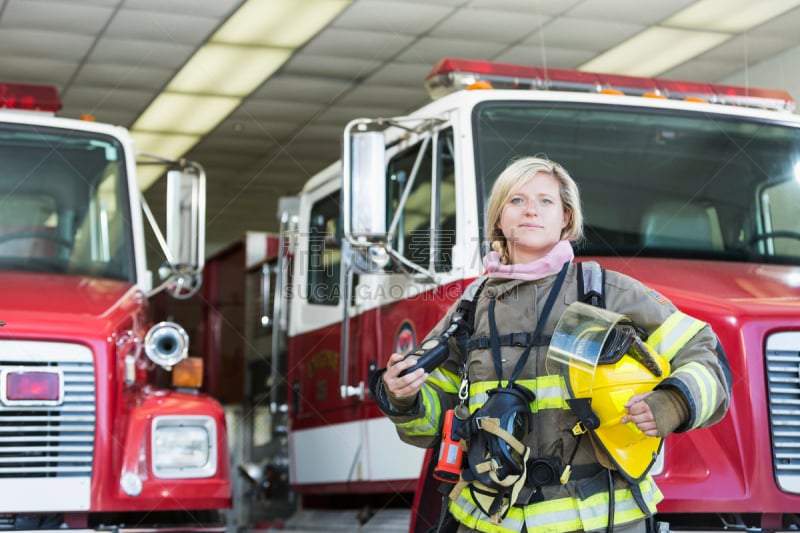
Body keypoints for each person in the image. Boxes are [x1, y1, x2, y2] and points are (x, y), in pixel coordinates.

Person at [371, 156, 731, 533]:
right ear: (499, 219)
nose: (531, 211)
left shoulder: (606, 292)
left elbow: (708, 356)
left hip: (601, 521)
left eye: (545, 201)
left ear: (566, 219)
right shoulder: (470, 307)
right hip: (487, 519)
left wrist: (672, 402)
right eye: (516, 200)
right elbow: (432, 424)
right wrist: (404, 399)